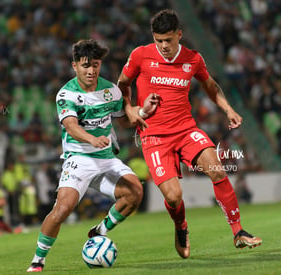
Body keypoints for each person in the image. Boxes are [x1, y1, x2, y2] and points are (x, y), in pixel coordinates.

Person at [117, 9, 262, 259]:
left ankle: (238, 232)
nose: (164, 46)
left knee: (216, 169)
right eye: (159, 40)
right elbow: (122, 84)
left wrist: (228, 109)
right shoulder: (140, 55)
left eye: (168, 40)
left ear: (179, 35)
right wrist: (129, 109)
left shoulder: (193, 59)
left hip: (186, 130)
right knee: (174, 197)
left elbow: (211, 86)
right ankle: (181, 226)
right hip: (153, 136)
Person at [27, 39, 154, 272]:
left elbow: (124, 120)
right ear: (75, 66)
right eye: (86, 65)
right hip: (79, 158)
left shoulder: (111, 91)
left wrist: (141, 112)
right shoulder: (66, 94)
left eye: (95, 65)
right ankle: (38, 259)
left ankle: (100, 231)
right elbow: (71, 125)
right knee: (62, 209)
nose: (91, 70)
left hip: (106, 158)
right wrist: (92, 139)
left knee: (135, 191)